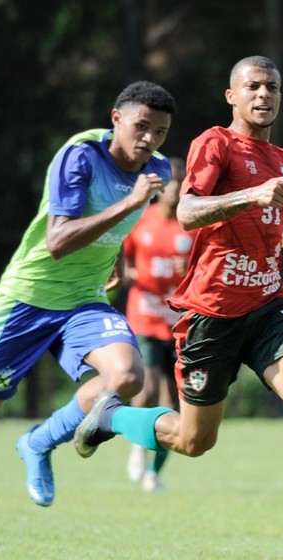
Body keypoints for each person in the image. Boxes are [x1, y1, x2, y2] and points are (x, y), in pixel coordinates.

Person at [71, 55, 283, 560]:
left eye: (271, 86)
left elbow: (282, 219)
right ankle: (113, 417)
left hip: (267, 304)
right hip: (211, 313)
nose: (263, 94)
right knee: (193, 440)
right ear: (232, 95)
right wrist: (253, 193)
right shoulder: (214, 144)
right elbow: (187, 211)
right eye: (252, 86)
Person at [0, 81, 177, 560]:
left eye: (159, 132)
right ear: (115, 118)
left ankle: (39, 441)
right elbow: (57, 240)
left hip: (84, 304)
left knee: (128, 376)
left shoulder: (156, 170)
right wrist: (127, 205)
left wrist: (114, 255)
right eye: (141, 127)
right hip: (25, 304)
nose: (149, 141)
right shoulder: (80, 156)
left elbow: (124, 222)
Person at [122, 157, 196, 491]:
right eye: (171, 182)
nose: (176, 189)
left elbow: (207, 274)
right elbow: (119, 264)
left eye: (182, 182)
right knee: (149, 386)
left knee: (175, 400)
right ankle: (138, 447)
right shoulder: (141, 221)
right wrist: (134, 275)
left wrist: (189, 269)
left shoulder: (193, 227)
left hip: (180, 322)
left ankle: (154, 470)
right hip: (145, 316)